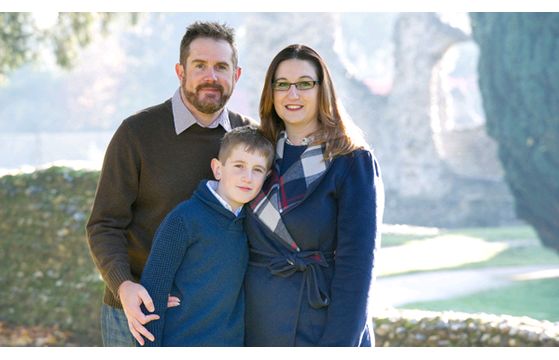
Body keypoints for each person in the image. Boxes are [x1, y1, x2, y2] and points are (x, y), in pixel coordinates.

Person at [86, 21, 253, 346]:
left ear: (237, 74)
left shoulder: (251, 141)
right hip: (137, 313)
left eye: (221, 66)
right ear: (180, 71)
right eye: (200, 65)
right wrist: (124, 286)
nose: (211, 76)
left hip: (216, 320)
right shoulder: (136, 134)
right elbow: (104, 225)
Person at [244, 44, 384, 346]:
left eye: (305, 84)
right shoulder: (256, 155)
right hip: (255, 327)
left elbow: (357, 270)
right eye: (282, 85)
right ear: (271, 92)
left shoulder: (352, 161)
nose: (292, 95)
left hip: (319, 326)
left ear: (323, 90)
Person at [139, 126, 273, 346]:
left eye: (257, 170)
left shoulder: (253, 225)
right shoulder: (183, 219)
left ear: (266, 177)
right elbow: (152, 295)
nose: (247, 177)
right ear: (218, 169)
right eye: (239, 166)